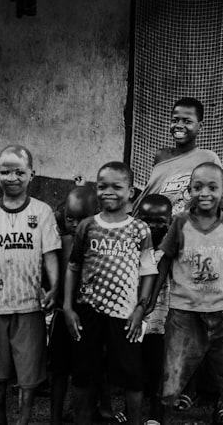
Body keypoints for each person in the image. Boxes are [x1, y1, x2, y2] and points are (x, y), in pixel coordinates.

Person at [150, 162, 223, 425]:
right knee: (172, 375)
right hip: (184, 314)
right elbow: (165, 262)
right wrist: (150, 301)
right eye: (198, 187)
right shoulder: (179, 224)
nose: (205, 193)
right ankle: (157, 419)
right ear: (190, 189)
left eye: (212, 187)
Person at [0, 145, 61, 425]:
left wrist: (54, 288)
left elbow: (50, 255)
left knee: (29, 371)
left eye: (19, 171)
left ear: (32, 174)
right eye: (5, 171)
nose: (12, 177)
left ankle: (24, 419)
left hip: (30, 304)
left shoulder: (42, 212)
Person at [63, 161, 157, 425]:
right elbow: (73, 267)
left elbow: (149, 271)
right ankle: (82, 419)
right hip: (88, 311)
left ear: (131, 192)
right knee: (83, 373)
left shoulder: (140, 229)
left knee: (131, 374)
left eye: (117, 187)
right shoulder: (87, 227)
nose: (108, 192)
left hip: (125, 313)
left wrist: (141, 308)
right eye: (102, 186)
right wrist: (69, 308)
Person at [49, 185, 99, 425]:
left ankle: (83, 416)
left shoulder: (101, 243)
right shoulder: (60, 242)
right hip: (62, 312)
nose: (76, 224)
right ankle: (55, 419)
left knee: (86, 372)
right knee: (58, 370)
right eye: (70, 218)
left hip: (89, 315)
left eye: (83, 219)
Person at [135, 97, 222, 215]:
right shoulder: (161, 156)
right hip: (155, 222)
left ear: (200, 126)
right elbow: (152, 192)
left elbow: (219, 200)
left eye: (187, 121)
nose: (179, 125)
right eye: (175, 120)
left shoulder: (208, 158)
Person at [133, 193, 173, 425]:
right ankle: (135, 411)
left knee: (159, 367)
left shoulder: (171, 248)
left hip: (162, 319)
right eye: (148, 220)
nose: (154, 226)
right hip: (137, 317)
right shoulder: (134, 245)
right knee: (136, 365)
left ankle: (156, 415)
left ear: (170, 220)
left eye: (160, 221)